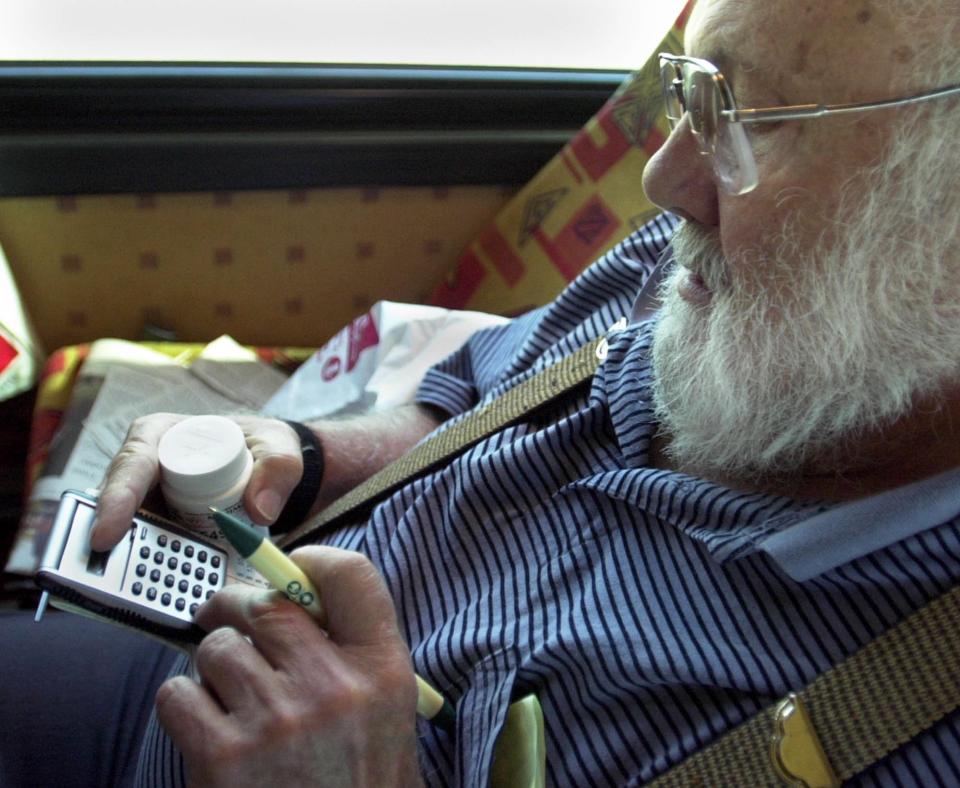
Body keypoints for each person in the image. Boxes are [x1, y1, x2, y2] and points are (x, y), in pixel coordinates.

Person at [3, 0, 960, 784]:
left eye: (759, 125)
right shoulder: (688, 275)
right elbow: (465, 395)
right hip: (180, 686)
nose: (665, 180)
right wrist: (300, 460)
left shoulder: (907, 725)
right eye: (701, 94)